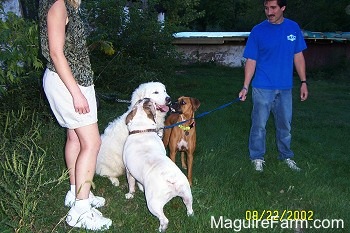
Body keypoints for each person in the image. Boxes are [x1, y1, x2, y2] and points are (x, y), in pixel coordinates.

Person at [39, 0, 112, 230]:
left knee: (74, 138)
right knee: (92, 143)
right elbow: (55, 53)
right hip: (69, 83)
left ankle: (77, 193)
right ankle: (80, 211)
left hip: (72, 80)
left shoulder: (65, 4)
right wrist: (76, 94)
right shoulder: (58, 4)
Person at [239, 0, 308, 172]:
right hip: (262, 86)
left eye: (273, 8)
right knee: (259, 125)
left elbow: (298, 56)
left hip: (285, 87)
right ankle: (257, 157)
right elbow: (251, 60)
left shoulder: (293, 28)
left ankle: (286, 155)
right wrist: (245, 86)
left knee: (285, 125)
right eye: (266, 8)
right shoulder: (258, 31)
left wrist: (304, 82)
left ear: (283, 7)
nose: (269, 12)